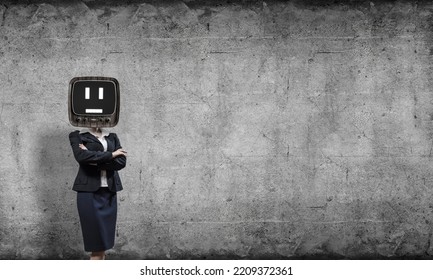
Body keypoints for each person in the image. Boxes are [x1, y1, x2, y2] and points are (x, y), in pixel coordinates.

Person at [69, 127, 127, 260]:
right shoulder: (77, 135)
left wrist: (94, 159)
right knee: (96, 246)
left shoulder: (112, 135)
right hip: (88, 192)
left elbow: (121, 162)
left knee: (103, 245)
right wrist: (112, 155)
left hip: (109, 191)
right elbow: (81, 157)